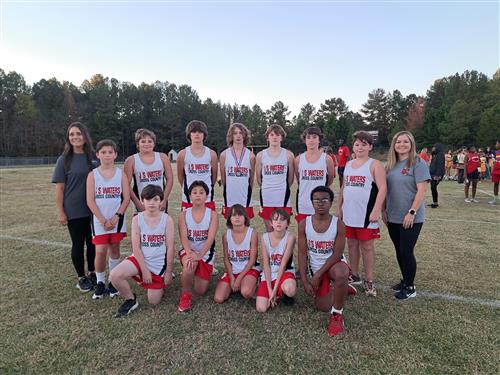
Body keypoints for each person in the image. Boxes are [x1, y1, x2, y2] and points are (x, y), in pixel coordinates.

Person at [109, 185, 175, 317]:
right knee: (114, 276)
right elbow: (136, 247)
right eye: (148, 199)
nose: (152, 203)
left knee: (153, 301)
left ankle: (159, 282)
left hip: (157, 264)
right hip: (140, 260)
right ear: (142, 200)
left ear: (161, 201)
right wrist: (144, 270)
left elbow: (171, 247)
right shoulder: (137, 219)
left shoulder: (166, 219)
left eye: (156, 199)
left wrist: (168, 272)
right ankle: (130, 299)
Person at [337, 131, 386, 297]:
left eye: (364, 144)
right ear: (353, 146)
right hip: (349, 213)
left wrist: (376, 209)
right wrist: (339, 207)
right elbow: (344, 188)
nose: (360, 147)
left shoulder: (375, 164)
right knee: (351, 244)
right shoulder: (349, 165)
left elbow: (383, 188)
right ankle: (355, 274)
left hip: (366, 215)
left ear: (370, 146)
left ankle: (369, 280)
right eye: (357, 144)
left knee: (367, 247)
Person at [298, 186, 351, 337]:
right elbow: (302, 254)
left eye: (324, 200)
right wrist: (305, 280)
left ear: (331, 202)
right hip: (316, 268)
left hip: (333, 265)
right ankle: (344, 288)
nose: (320, 203)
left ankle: (337, 315)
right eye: (316, 200)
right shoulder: (304, 224)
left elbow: (337, 254)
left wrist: (318, 275)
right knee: (322, 306)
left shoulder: (338, 224)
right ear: (312, 203)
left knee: (341, 273)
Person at [383, 131, 430, 300]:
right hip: (393, 216)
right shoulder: (390, 165)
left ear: (411, 144)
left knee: (406, 250)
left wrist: (411, 212)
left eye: (405, 142)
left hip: (411, 217)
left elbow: (421, 190)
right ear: (393, 145)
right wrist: (383, 210)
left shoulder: (418, 163)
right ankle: (405, 280)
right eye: (398, 142)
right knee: (399, 250)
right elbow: (384, 190)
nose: (401, 145)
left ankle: (410, 287)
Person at [52, 122, 97, 293]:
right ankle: (81, 277)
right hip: (74, 210)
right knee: (78, 244)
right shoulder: (64, 160)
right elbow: (60, 188)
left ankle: (93, 272)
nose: (75, 137)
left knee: (93, 244)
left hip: (94, 210)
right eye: (71, 134)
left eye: (78, 134)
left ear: (85, 137)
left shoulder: (94, 157)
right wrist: (61, 211)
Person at [86, 140, 130, 299]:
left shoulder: (120, 174)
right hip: (99, 221)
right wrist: (103, 220)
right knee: (100, 251)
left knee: (114, 249)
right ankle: (100, 282)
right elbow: (90, 200)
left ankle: (113, 280)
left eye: (110, 152)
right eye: (103, 152)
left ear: (115, 154)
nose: (107, 155)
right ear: (98, 155)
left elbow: (126, 198)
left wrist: (116, 217)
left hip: (117, 220)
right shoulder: (93, 175)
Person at [178, 181, 219, 312]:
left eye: (201, 192)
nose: (198, 195)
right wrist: (190, 254)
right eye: (194, 192)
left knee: (200, 290)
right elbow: (184, 237)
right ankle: (185, 297)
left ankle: (192, 272)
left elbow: (211, 238)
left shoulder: (212, 214)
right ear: (189, 196)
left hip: (205, 253)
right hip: (189, 249)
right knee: (189, 265)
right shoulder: (183, 214)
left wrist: (200, 255)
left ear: (207, 196)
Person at [214, 204, 260, 304]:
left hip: (249, 269)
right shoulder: (226, 235)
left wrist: (238, 279)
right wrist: (231, 278)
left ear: (245, 217)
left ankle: (254, 283)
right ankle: (237, 285)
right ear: (229, 218)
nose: (237, 217)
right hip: (233, 270)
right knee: (218, 298)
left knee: (246, 292)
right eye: (234, 215)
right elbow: (226, 259)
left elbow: (252, 260)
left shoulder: (252, 234)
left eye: (240, 215)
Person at [255, 124, 295, 232]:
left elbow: (291, 179)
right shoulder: (260, 155)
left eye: (278, 134)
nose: (275, 137)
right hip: (266, 196)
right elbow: (259, 179)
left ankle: (283, 249)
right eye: (272, 134)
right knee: (269, 228)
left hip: (283, 196)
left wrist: (282, 187)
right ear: (267, 137)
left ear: (282, 137)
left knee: (282, 228)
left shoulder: (289, 155)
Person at [256, 209, 297, 312]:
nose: (279, 222)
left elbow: (283, 265)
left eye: (282, 220)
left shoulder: (290, 238)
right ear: (271, 223)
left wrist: (274, 290)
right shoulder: (264, 237)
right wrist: (270, 290)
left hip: (284, 272)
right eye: (276, 220)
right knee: (261, 308)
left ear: (287, 223)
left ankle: (284, 293)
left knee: (290, 290)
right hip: (269, 273)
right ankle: (273, 292)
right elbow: (266, 264)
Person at [123, 128, 173, 213]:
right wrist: (137, 203)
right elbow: (126, 185)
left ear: (154, 143)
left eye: (150, 141)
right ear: (138, 144)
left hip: (160, 202)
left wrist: (164, 199)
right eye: (143, 141)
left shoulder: (162, 157)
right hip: (141, 203)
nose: (147, 144)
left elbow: (170, 179)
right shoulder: (131, 160)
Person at [295, 126, 335, 223]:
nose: (311, 140)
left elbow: (329, 180)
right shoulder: (298, 159)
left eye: (314, 137)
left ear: (319, 140)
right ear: (304, 140)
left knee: (320, 232)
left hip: (320, 203)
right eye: (308, 137)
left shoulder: (327, 159)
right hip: (303, 202)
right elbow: (298, 179)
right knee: (303, 232)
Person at [177, 120, 218, 211]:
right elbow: (180, 177)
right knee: (187, 225)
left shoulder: (212, 154)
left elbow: (213, 177)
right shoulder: (182, 154)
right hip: (188, 198)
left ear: (204, 134)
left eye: (200, 132)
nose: (197, 134)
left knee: (209, 224)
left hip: (208, 198)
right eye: (194, 131)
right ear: (189, 134)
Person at [219, 123, 256, 219]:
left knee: (245, 224)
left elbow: (251, 180)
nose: (238, 135)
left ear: (245, 135)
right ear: (231, 136)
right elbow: (224, 179)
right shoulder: (224, 155)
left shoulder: (251, 156)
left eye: (241, 133)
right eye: (235, 133)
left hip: (245, 196)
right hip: (229, 196)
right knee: (230, 224)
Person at [428, 143, 445, 208]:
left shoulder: (440, 155)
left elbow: (440, 166)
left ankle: (435, 203)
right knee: (433, 188)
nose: (433, 148)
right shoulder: (435, 155)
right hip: (432, 174)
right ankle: (435, 202)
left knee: (433, 187)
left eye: (434, 147)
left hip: (436, 175)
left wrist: (438, 176)